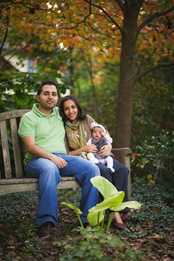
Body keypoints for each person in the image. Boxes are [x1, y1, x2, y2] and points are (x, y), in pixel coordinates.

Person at [18, 80, 100, 239]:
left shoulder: (59, 114)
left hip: (62, 158)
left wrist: (104, 141)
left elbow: (83, 120)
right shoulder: (29, 118)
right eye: (46, 93)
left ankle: (87, 220)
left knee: (92, 169)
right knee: (49, 168)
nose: (50, 97)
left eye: (54, 94)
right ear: (37, 97)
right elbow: (30, 147)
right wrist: (51, 157)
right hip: (37, 161)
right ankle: (46, 222)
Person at [59, 95, 131, 230]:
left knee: (122, 170)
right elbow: (66, 154)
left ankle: (120, 208)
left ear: (77, 107)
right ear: (63, 112)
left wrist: (109, 146)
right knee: (103, 172)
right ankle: (114, 214)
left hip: (101, 155)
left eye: (73, 107)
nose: (71, 111)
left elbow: (104, 133)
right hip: (84, 160)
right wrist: (84, 149)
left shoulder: (87, 120)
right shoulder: (62, 127)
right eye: (66, 109)